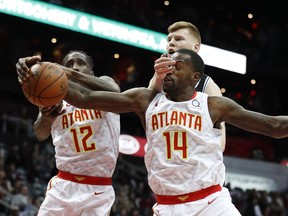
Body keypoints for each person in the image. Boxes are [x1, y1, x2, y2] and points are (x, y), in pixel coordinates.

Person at [58, 48, 288, 215]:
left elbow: (275, 127)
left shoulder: (213, 105)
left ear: (195, 77)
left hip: (211, 204)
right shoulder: (145, 100)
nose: (169, 71)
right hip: (168, 206)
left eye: (177, 67)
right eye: (167, 66)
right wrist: (47, 74)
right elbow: (84, 98)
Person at [16, 50, 121, 216]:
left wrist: (70, 74)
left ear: (91, 73)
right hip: (63, 183)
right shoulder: (52, 95)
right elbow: (40, 134)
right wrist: (46, 117)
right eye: (69, 65)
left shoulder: (104, 84)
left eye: (80, 63)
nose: (75, 67)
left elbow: (116, 91)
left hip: (97, 187)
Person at [148, 21, 226, 151]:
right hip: (164, 159)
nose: (171, 42)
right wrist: (157, 77)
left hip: (195, 161)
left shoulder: (207, 84)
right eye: (169, 39)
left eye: (178, 39)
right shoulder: (159, 78)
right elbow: (145, 107)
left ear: (195, 48)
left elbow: (220, 135)